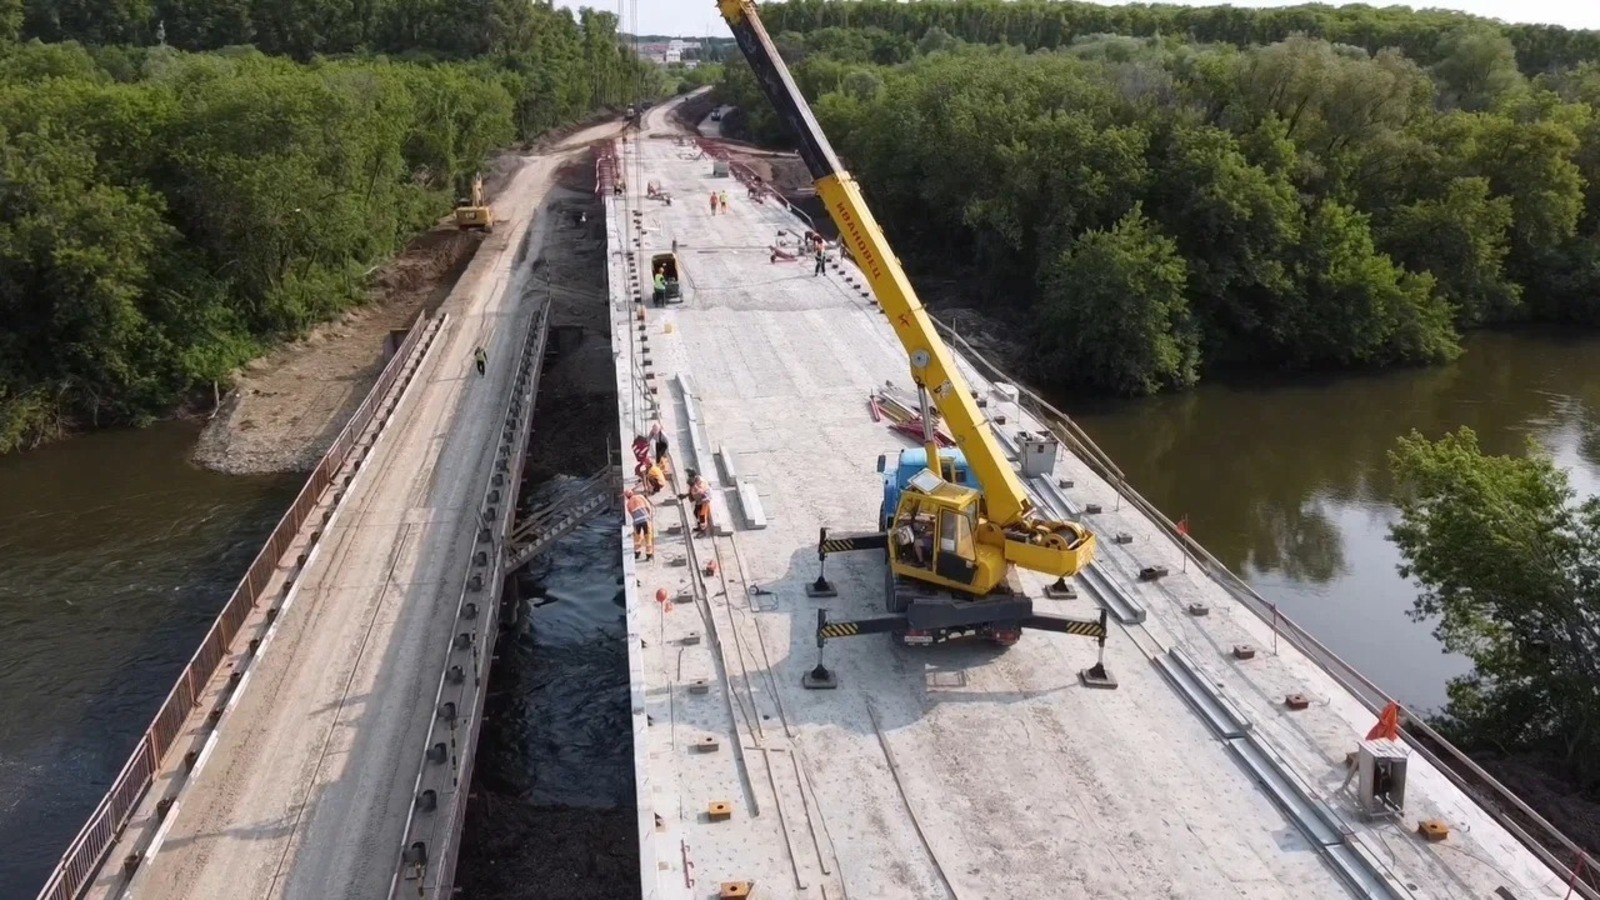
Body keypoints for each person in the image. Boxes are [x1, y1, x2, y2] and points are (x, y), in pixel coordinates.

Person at [625, 489, 655, 561]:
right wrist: (649, 516)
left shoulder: (628, 503)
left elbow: (631, 514)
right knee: (648, 536)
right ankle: (649, 554)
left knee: (637, 537)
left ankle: (637, 553)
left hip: (637, 522)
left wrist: (635, 521)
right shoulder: (640, 496)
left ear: (627, 497)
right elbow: (648, 506)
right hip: (645, 520)